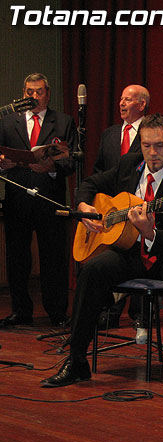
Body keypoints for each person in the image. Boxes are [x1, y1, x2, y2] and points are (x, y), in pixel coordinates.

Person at [40, 114, 163, 394]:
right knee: (93, 269)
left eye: (160, 145)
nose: (152, 153)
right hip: (129, 252)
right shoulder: (129, 165)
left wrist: (150, 233)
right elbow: (90, 184)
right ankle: (77, 360)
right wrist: (84, 207)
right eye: (146, 145)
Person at [0, 72, 78, 328]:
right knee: (17, 258)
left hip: (49, 198)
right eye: (29, 92)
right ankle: (21, 311)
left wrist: (51, 167)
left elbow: (72, 160)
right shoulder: (7, 121)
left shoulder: (64, 122)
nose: (34, 97)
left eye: (39, 92)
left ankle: (56, 311)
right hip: (17, 199)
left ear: (48, 94)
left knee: (53, 257)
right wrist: (3, 164)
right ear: (23, 93)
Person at [93, 84, 150, 339]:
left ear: (142, 104)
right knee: (107, 255)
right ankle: (109, 311)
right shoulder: (110, 133)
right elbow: (98, 170)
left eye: (128, 99)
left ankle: (140, 316)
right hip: (112, 210)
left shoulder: (151, 132)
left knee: (138, 253)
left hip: (140, 204)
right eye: (120, 99)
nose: (122, 103)